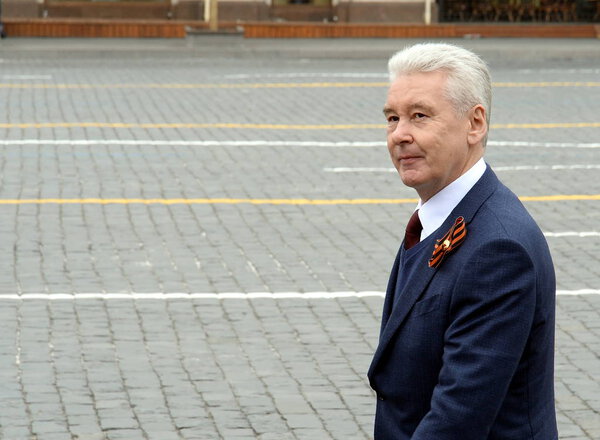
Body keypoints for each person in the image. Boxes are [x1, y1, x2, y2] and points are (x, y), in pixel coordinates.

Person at [367, 43, 557, 440]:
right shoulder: (439, 218)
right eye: (392, 118)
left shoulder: (498, 250)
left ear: (475, 124)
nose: (400, 135)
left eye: (420, 116)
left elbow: (457, 420)